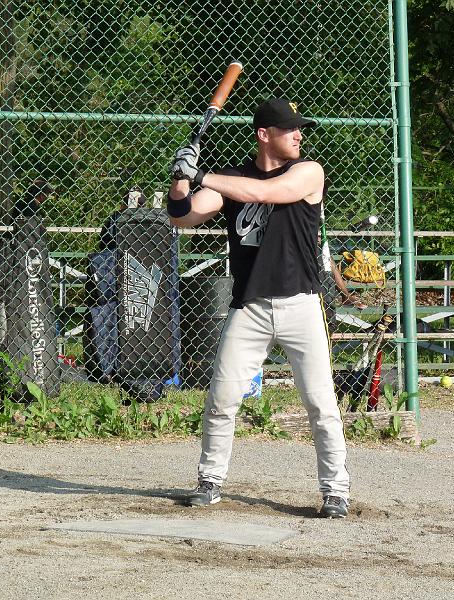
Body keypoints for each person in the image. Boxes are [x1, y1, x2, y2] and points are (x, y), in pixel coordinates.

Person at [167, 97, 350, 518]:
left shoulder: (308, 172)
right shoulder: (232, 179)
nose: (298, 135)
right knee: (221, 399)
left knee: (321, 404)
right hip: (249, 306)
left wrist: (201, 174)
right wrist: (180, 179)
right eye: (290, 129)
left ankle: (336, 491)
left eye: (299, 128)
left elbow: (268, 193)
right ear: (264, 135)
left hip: (301, 303)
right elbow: (182, 216)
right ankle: (210, 481)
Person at [98, 185, 145, 251]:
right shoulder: (150, 219)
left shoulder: (114, 219)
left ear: (122, 206)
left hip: (117, 253)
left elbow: (103, 244)